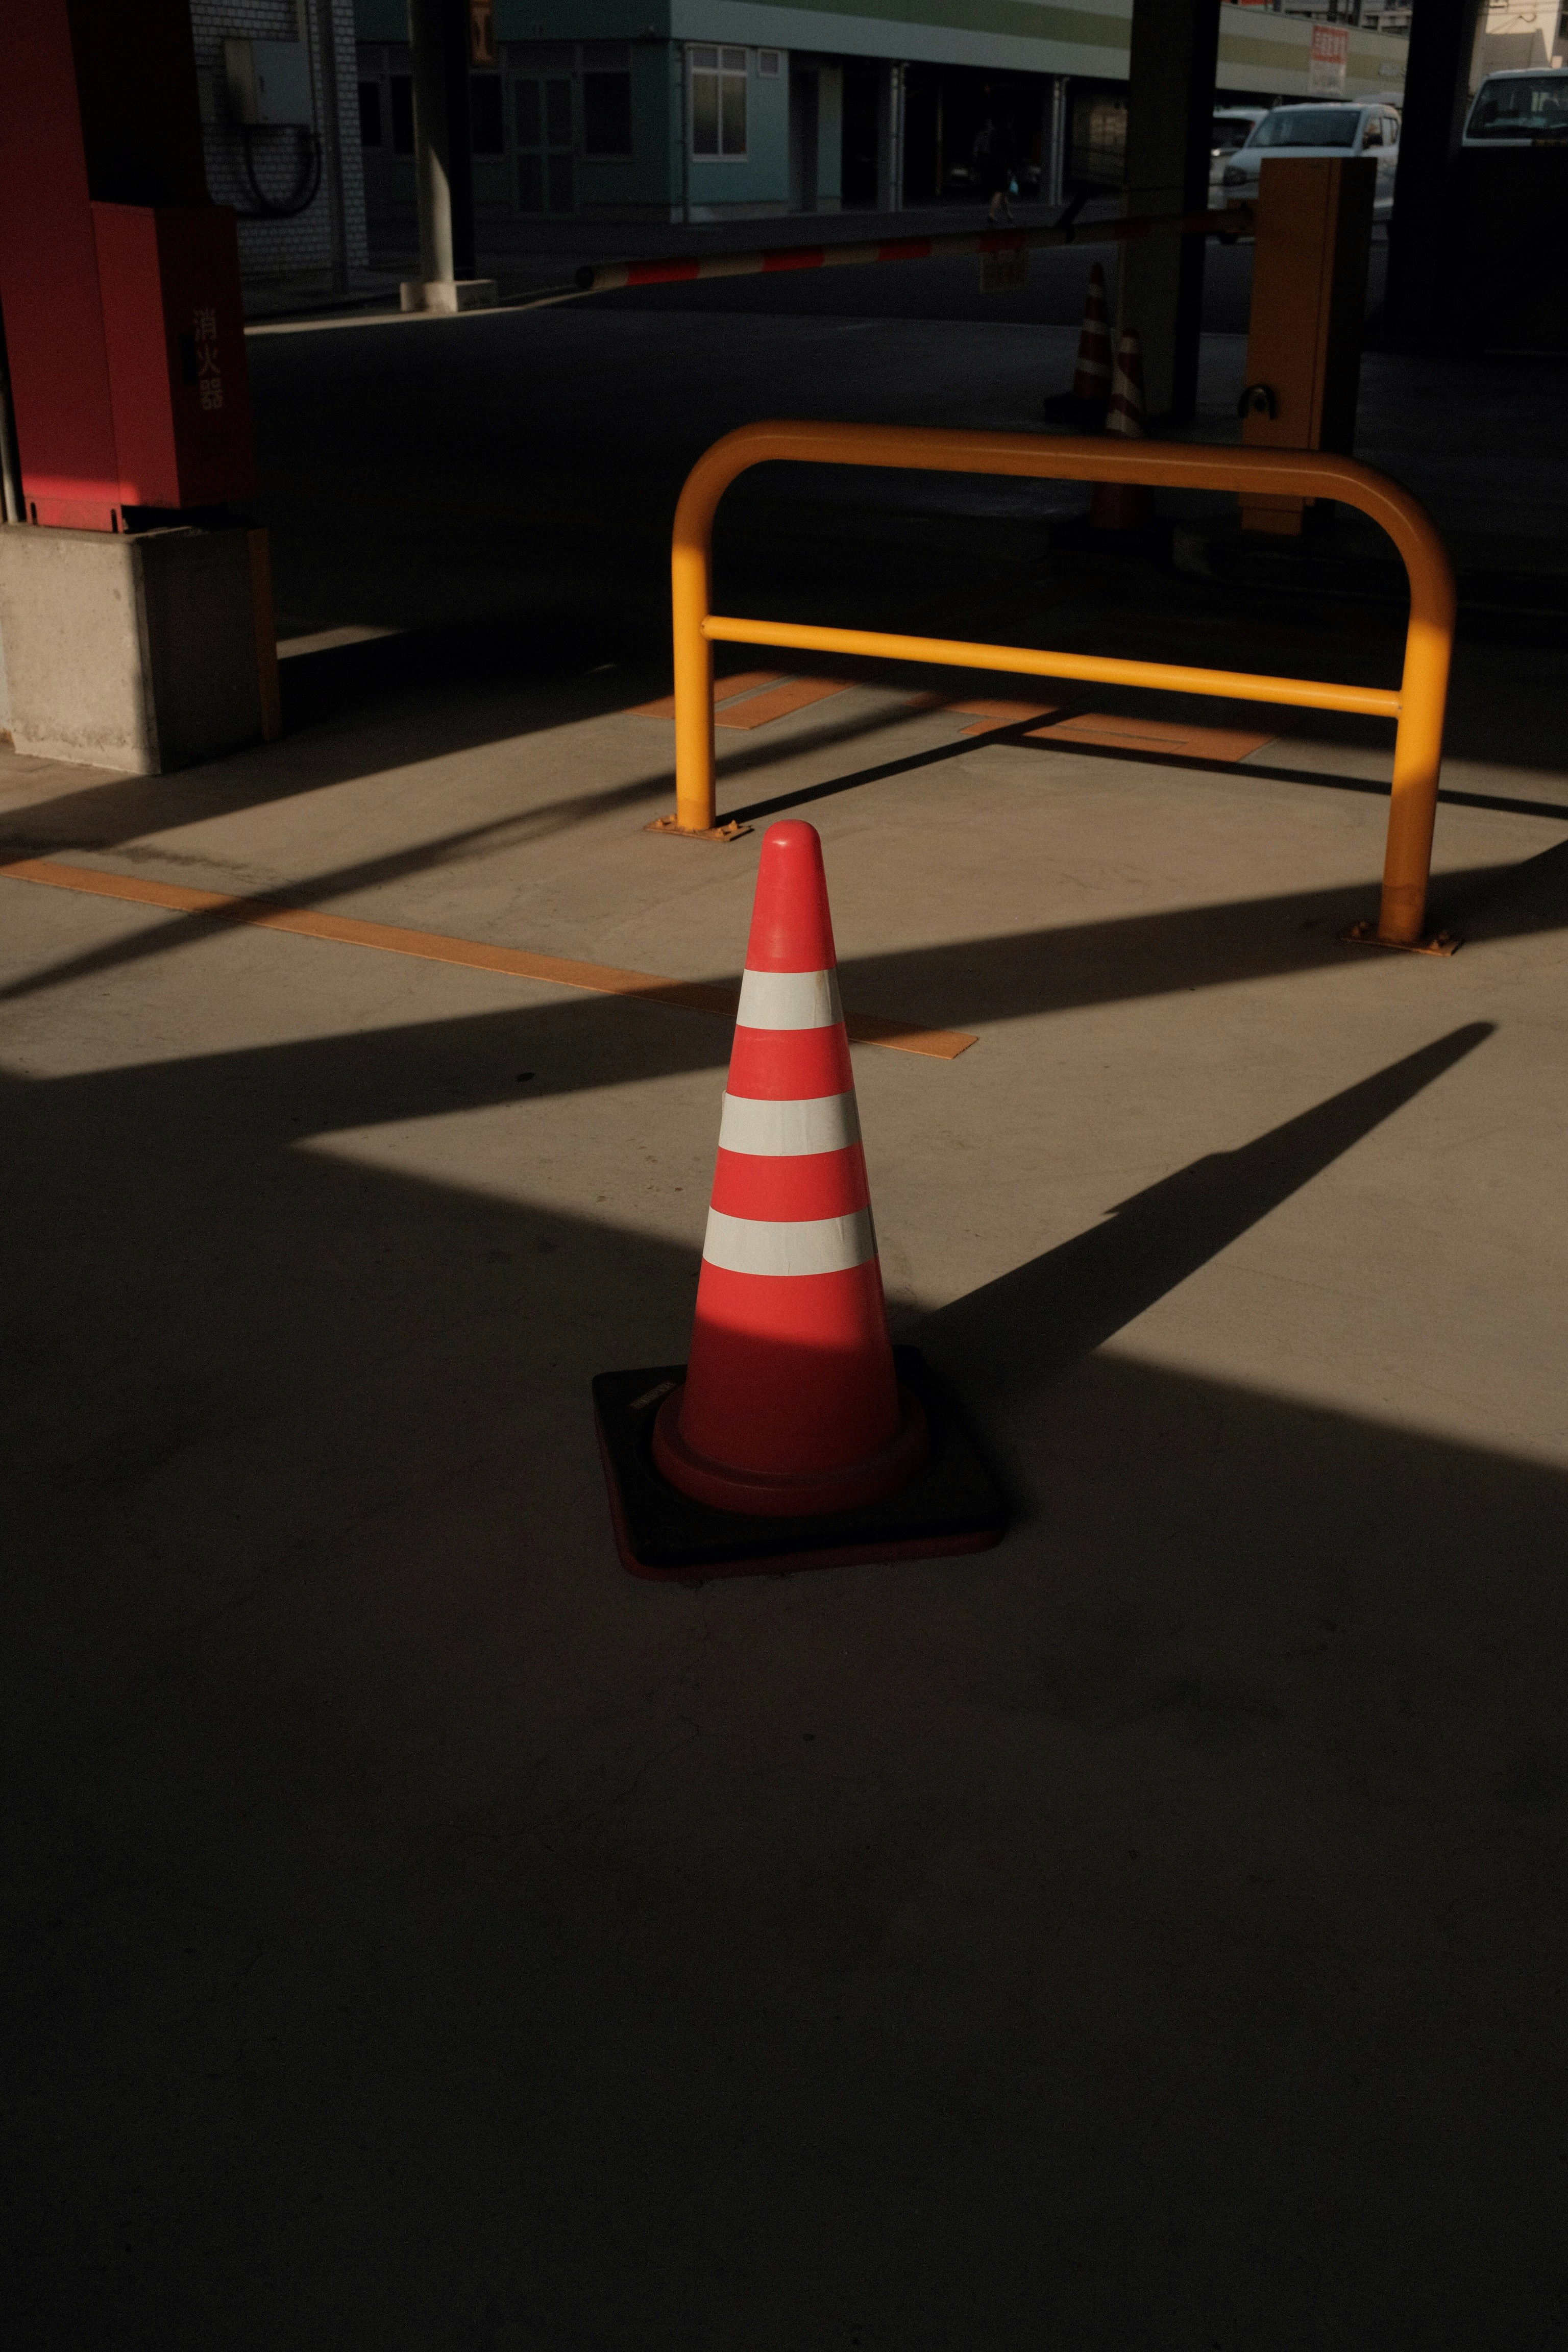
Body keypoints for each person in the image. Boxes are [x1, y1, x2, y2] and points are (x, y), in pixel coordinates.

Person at [973, 106, 1018, 223]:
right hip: (1003, 165)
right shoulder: (1009, 133)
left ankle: (1009, 214)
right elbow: (1011, 151)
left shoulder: (994, 133)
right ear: (1010, 121)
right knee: (1000, 190)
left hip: (992, 162)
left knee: (1002, 189)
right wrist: (1013, 167)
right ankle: (992, 214)